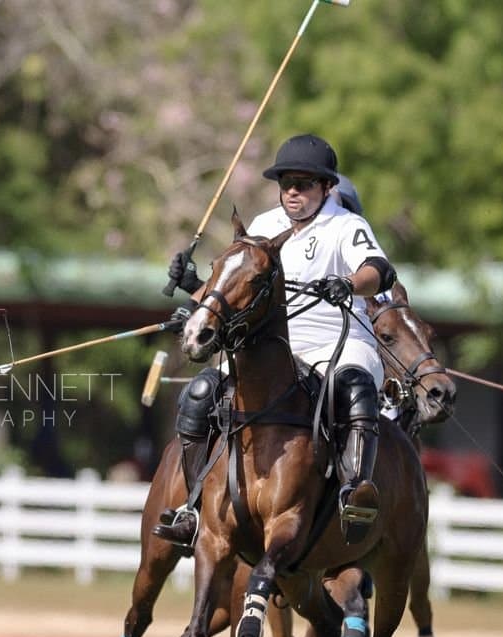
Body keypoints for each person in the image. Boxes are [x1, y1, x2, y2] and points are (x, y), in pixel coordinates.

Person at [158, 133, 396, 545]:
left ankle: (355, 491)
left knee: (354, 387)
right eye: (286, 183)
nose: (292, 192)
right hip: (272, 349)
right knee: (200, 393)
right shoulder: (264, 227)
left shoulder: (346, 225)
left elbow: (378, 269)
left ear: (327, 187)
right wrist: (194, 287)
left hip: (335, 343)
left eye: (303, 184)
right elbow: (234, 295)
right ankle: (192, 506)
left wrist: (349, 283)